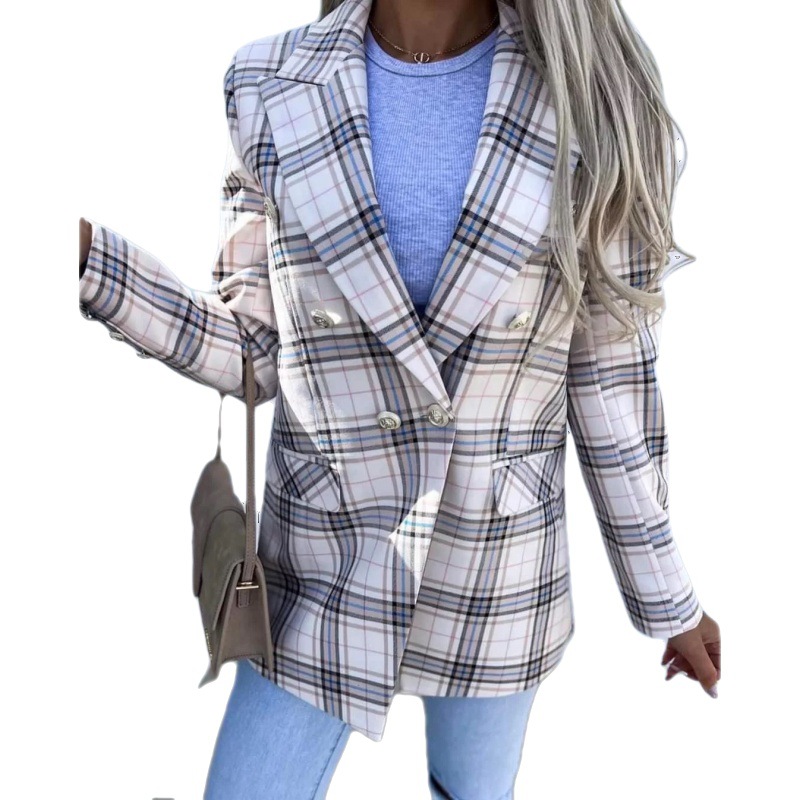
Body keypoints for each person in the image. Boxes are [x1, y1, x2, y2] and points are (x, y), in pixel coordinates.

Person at [77, 0, 722, 797]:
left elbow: (608, 384)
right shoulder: (269, 82)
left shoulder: (593, 96)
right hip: (322, 560)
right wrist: (87, 259)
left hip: (497, 573)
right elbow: (251, 352)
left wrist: (670, 601)